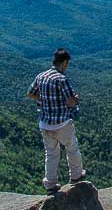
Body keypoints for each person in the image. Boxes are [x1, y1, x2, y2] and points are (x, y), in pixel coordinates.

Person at [26, 47, 86, 194]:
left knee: (51, 153)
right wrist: (76, 100)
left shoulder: (41, 76)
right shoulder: (61, 79)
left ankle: (50, 184)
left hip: (45, 123)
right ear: (64, 62)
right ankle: (76, 177)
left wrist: (44, 101)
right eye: (67, 64)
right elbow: (71, 102)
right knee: (72, 148)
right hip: (61, 123)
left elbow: (30, 94)